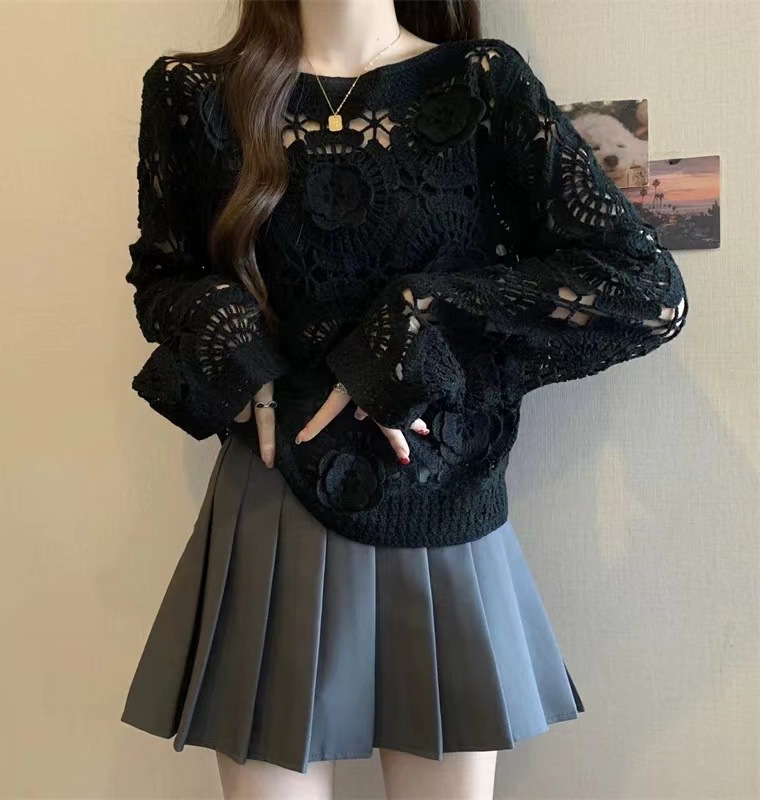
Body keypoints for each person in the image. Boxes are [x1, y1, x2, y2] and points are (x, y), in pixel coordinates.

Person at [119, 1, 689, 797]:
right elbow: (163, 276)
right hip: (270, 502)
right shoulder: (194, 93)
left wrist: (418, 323)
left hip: (441, 505)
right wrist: (231, 337)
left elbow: (645, 291)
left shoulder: (482, 82)